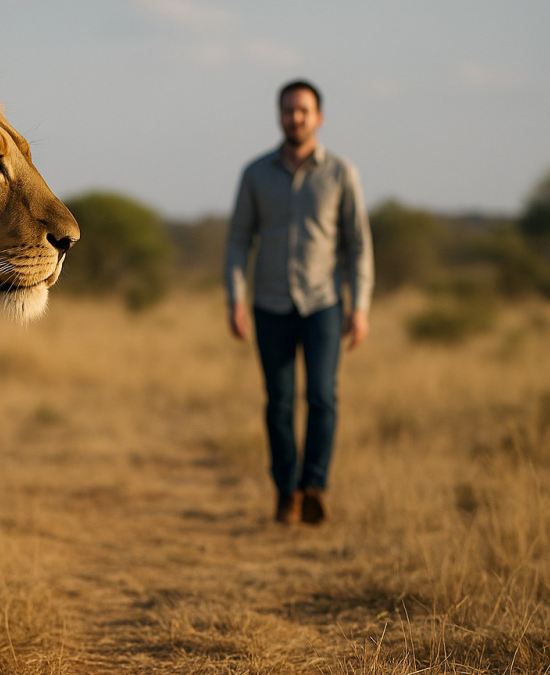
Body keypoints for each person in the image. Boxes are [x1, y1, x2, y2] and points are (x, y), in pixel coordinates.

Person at [223, 79, 374, 526]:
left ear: (318, 118)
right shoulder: (255, 174)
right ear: (279, 116)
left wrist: (359, 305)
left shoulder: (341, 173)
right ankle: (286, 492)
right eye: (289, 110)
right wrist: (236, 299)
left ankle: (315, 487)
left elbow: (358, 245)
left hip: (323, 304)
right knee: (280, 402)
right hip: (270, 304)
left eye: (304, 111)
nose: (296, 118)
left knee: (323, 398)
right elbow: (237, 242)